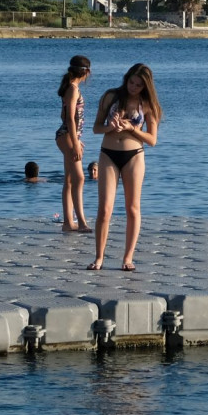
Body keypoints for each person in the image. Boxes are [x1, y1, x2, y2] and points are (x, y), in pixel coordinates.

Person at [91, 63, 162, 272]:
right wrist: (110, 127)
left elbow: (152, 140)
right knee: (105, 209)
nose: (133, 87)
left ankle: (128, 258)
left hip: (134, 156)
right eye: (131, 82)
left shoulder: (148, 104)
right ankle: (99, 257)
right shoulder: (110, 96)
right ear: (126, 78)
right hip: (108, 154)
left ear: (145, 86)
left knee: (133, 207)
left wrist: (132, 128)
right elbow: (96, 128)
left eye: (139, 85)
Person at [55, 55, 91, 233]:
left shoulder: (71, 88)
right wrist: (75, 142)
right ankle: (82, 222)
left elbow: (64, 116)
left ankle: (68, 223)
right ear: (87, 72)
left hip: (69, 135)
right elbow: (68, 117)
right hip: (67, 135)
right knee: (80, 178)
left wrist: (76, 139)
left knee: (69, 180)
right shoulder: (73, 89)